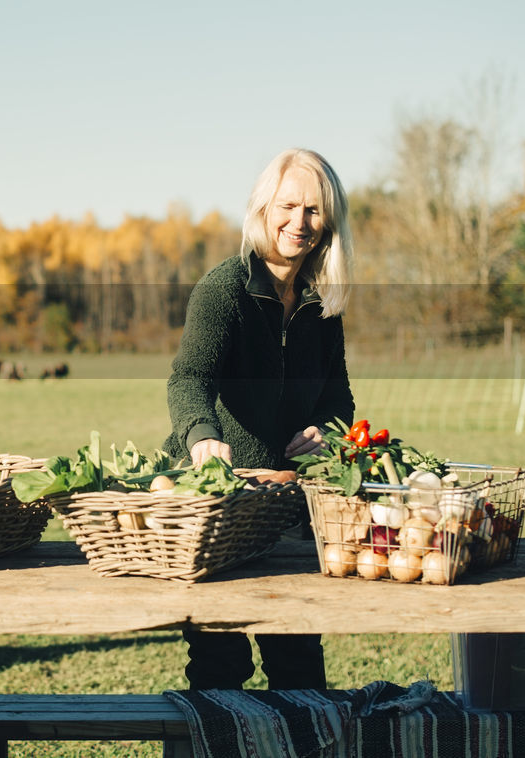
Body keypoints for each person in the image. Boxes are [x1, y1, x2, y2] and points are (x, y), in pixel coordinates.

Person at [163, 148, 355, 691]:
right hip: (218, 503)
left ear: (330, 220)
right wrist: (202, 436)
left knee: (298, 663)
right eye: (288, 205)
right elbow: (188, 379)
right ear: (263, 209)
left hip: (287, 503)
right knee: (221, 666)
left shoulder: (323, 303)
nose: (300, 222)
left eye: (314, 210)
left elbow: (338, 394)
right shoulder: (225, 290)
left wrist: (327, 428)